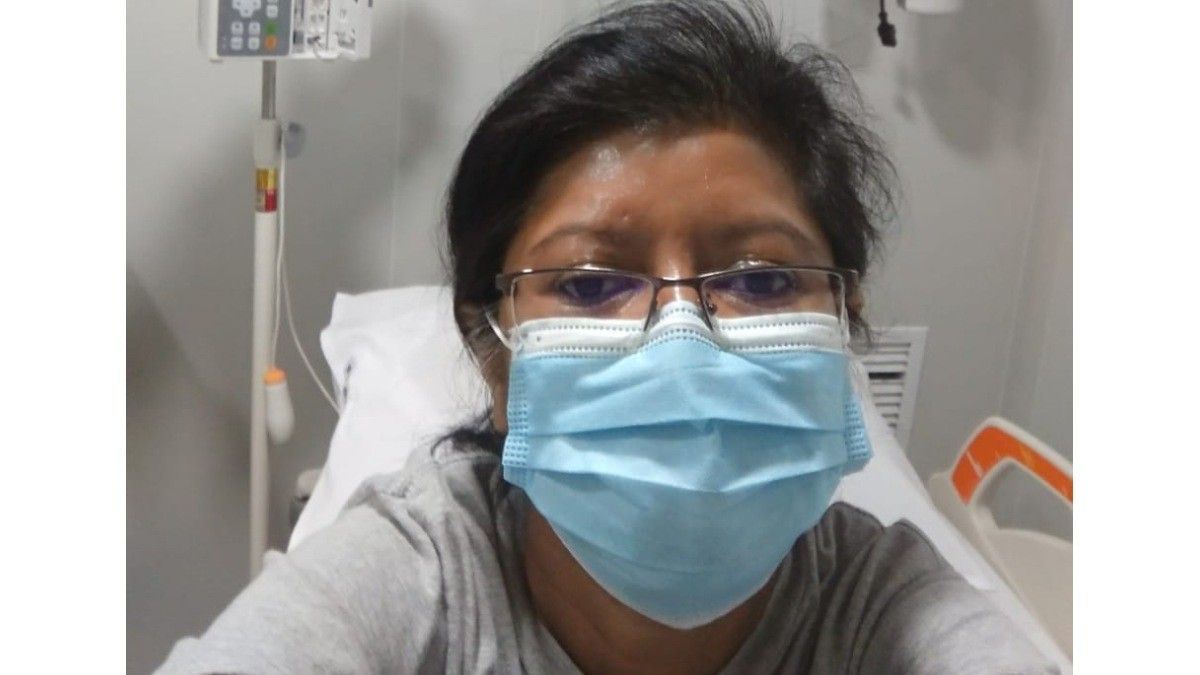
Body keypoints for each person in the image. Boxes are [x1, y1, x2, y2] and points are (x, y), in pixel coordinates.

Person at [158, 1, 1056, 672]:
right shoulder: (420, 575)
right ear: (495, 358)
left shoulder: (882, 611)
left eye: (760, 279)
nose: (681, 346)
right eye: (590, 283)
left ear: (844, 321)